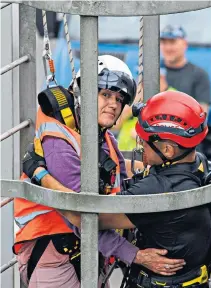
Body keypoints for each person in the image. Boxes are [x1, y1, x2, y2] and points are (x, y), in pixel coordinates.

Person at [15, 55, 185, 288]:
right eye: (105, 94)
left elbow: (120, 180)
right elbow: (80, 218)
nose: (114, 104)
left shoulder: (100, 136)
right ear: (83, 93)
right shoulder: (58, 141)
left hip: (88, 249)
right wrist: (135, 256)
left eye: (119, 98)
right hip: (53, 253)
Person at [43, 91, 211, 288]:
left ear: (168, 150)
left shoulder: (156, 190)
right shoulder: (199, 164)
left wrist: (41, 175)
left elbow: (83, 217)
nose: (140, 147)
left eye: (144, 141)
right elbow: (149, 175)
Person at [117, 62, 176, 151]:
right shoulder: (136, 95)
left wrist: (144, 135)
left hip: (151, 158)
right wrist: (132, 103)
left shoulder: (172, 97)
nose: (142, 82)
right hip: (123, 155)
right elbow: (115, 124)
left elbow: (173, 132)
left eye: (146, 78)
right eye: (140, 77)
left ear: (161, 76)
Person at [160, 25, 211, 113]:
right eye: (164, 42)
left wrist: (166, 90)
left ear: (185, 44)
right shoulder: (151, 70)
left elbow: (202, 116)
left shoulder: (199, 75)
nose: (168, 48)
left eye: (172, 42)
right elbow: (134, 107)